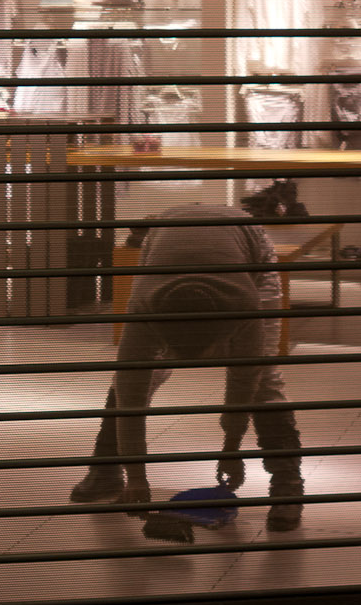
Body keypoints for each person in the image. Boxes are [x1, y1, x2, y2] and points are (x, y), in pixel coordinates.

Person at [68, 204, 306, 534]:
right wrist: (137, 478)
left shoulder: (245, 307)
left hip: (246, 244)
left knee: (263, 377)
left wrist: (231, 449)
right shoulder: (144, 308)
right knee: (134, 378)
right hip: (166, 236)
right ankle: (107, 470)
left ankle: (287, 483)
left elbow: (243, 378)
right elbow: (131, 393)